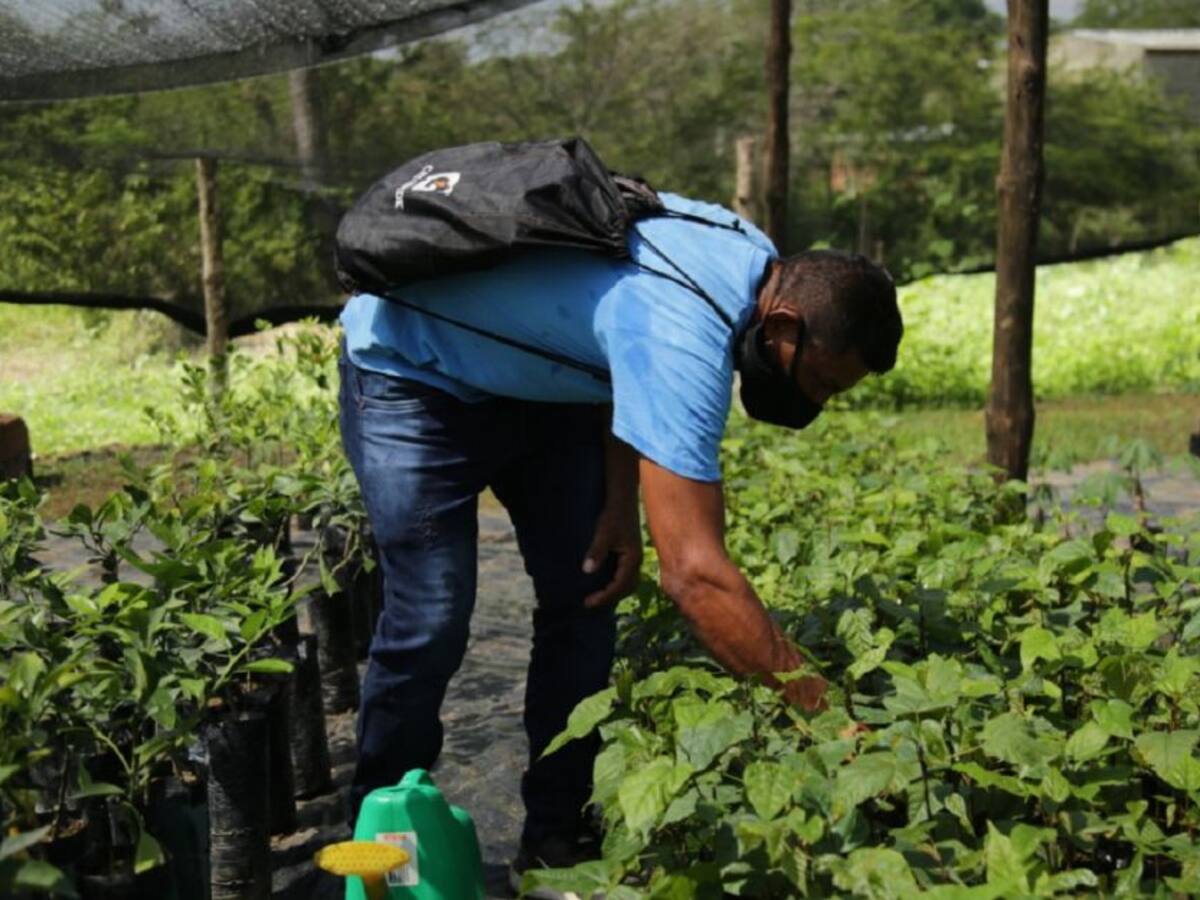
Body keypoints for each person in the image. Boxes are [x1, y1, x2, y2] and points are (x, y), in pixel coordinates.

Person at [336, 190, 902, 895]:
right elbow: (696, 577)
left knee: (589, 587)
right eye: (817, 381)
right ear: (782, 322)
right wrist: (833, 724)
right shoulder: (689, 327)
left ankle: (556, 833)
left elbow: (613, 344)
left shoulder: (754, 260)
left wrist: (619, 502)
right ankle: (373, 840)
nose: (813, 404)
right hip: (414, 373)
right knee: (432, 614)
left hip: (544, 390)